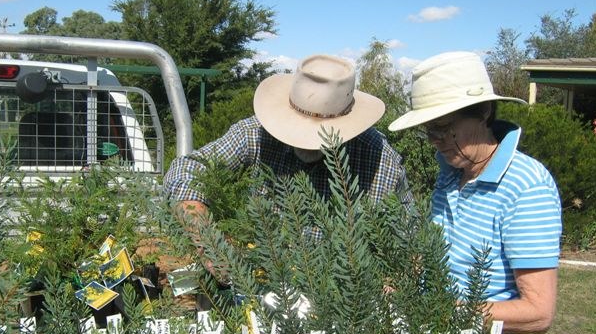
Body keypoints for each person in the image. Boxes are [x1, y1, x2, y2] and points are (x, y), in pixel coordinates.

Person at [389, 51, 562, 334]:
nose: (434, 140)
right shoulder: (450, 171)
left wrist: (449, 311)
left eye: (443, 127)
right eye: (427, 129)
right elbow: (439, 253)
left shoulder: (526, 185)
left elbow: (538, 312)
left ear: (483, 111)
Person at [164, 54, 414, 240]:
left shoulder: (379, 160)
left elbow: (411, 238)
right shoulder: (256, 134)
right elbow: (186, 171)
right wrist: (211, 244)